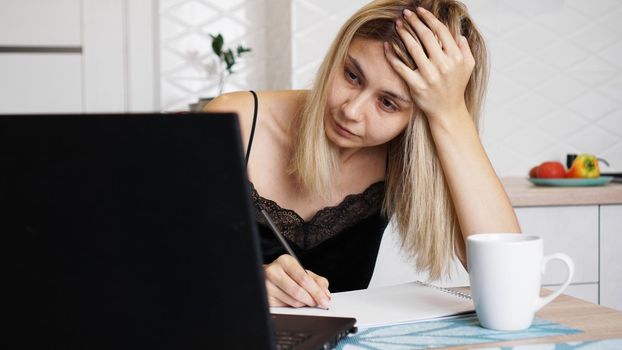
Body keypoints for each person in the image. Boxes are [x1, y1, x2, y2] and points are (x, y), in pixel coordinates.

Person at [204, 0, 520, 309]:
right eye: (352, 76)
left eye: (388, 103)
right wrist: (247, 281)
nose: (351, 111)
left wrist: (450, 114)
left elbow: (509, 282)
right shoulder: (236, 120)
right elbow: (161, 261)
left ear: (418, 119)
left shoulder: (404, 156)